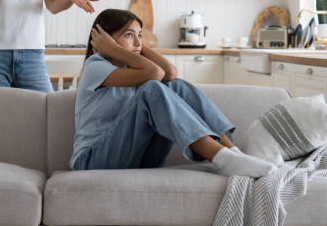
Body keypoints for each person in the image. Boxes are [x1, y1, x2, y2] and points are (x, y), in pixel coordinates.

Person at [70, 9, 277, 178]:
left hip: (135, 160)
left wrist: (136, 45)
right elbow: (155, 73)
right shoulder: (95, 65)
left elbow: (170, 73)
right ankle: (222, 159)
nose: (137, 42)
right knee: (153, 87)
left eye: (139, 35)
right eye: (129, 35)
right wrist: (111, 50)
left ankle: (234, 154)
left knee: (175, 85)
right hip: (93, 161)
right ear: (105, 41)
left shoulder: (132, 72)